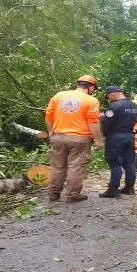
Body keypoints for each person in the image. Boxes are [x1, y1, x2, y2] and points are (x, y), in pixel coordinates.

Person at [45, 75, 104, 203]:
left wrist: (51, 132)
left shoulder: (59, 96)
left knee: (57, 167)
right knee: (75, 167)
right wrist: (99, 141)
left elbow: (49, 115)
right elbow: (93, 122)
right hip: (80, 139)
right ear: (91, 87)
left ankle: (53, 194)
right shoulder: (91, 100)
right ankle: (72, 195)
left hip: (58, 136)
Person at [99, 85, 137, 198]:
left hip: (115, 137)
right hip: (129, 136)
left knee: (115, 163)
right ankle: (129, 187)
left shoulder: (114, 107)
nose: (109, 99)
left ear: (112, 94)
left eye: (108, 97)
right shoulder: (136, 106)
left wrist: (101, 117)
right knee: (129, 162)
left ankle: (113, 189)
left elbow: (107, 122)